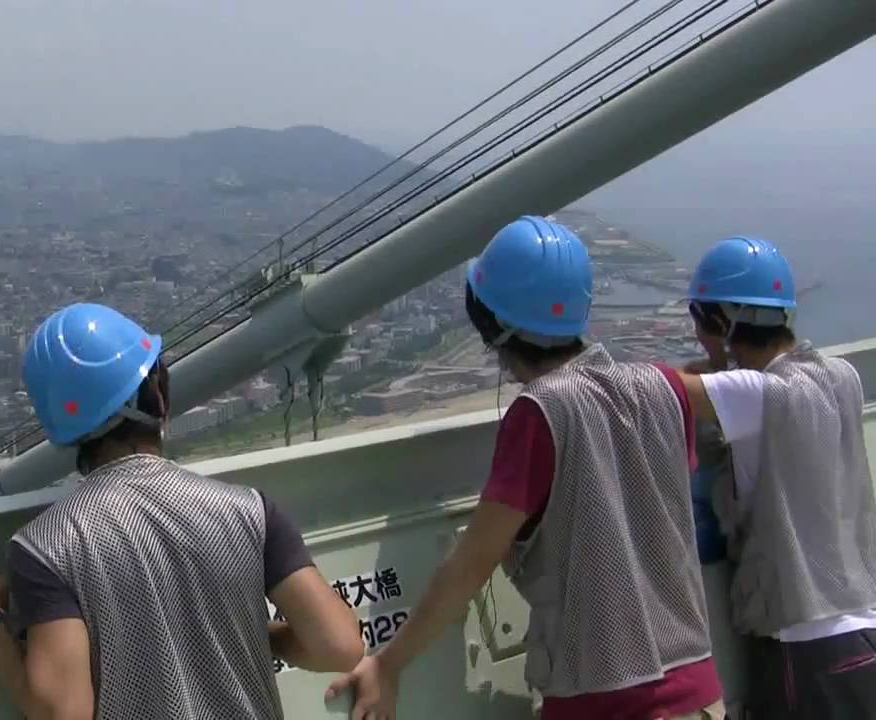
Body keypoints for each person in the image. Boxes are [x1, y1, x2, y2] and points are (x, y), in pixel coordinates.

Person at [327, 216, 724, 719]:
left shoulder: (540, 414)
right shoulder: (663, 386)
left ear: (490, 323)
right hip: (700, 691)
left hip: (607, 702)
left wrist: (388, 664)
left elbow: (471, 563)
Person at [0, 302, 363, 719]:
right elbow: (340, 646)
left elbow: (65, 713)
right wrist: (251, 634)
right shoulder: (249, 511)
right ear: (159, 393)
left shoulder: (46, 548)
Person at [677, 236, 876, 718]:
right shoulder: (843, 377)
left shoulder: (757, 395)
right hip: (864, 630)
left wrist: (710, 367)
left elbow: (654, 387)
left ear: (721, 322)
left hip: (804, 648)